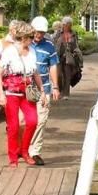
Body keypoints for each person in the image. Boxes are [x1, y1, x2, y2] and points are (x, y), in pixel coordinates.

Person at [0, 21, 44, 167]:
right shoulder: (9, 51)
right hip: (11, 92)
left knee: (33, 121)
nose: (32, 40)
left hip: (27, 91)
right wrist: (1, 94)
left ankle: (24, 151)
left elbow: (35, 73)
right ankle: (13, 157)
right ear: (23, 38)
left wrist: (42, 91)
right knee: (14, 125)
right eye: (30, 37)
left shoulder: (32, 51)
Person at [28, 16, 61, 166]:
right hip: (26, 88)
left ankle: (34, 151)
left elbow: (53, 66)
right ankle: (23, 148)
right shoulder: (25, 43)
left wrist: (55, 86)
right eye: (36, 32)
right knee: (26, 120)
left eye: (41, 32)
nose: (38, 35)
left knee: (41, 120)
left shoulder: (49, 46)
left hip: (44, 88)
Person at [0, 20, 20, 108]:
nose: (18, 31)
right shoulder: (2, 42)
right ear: (11, 30)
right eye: (16, 29)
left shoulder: (20, 42)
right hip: (5, 76)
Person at [54, 16, 83, 99]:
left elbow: (76, 45)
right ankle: (59, 90)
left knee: (67, 75)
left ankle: (66, 94)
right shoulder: (58, 33)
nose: (67, 26)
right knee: (58, 75)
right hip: (58, 56)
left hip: (69, 56)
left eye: (69, 24)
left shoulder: (74, 33)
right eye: (66, 24)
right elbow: (54, 43)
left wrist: (77, 55)